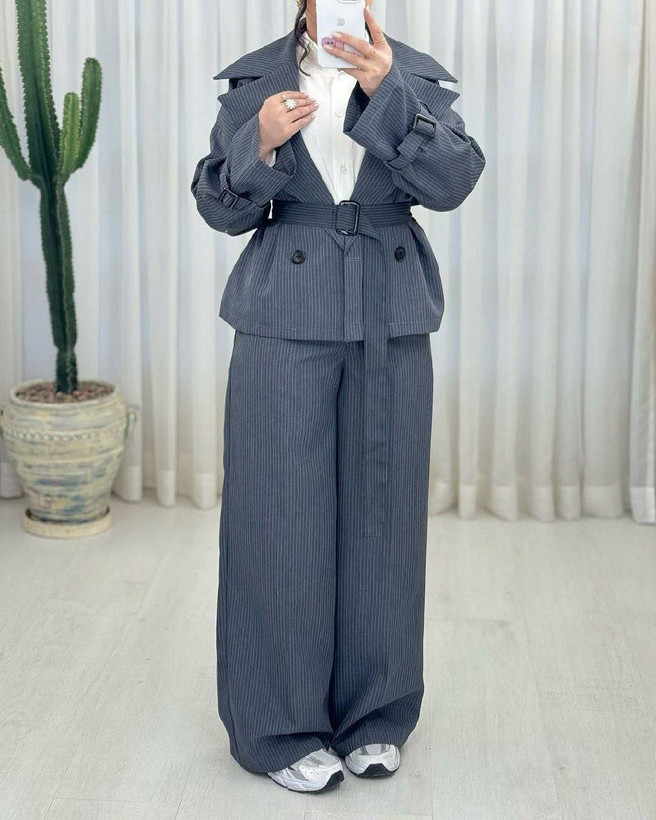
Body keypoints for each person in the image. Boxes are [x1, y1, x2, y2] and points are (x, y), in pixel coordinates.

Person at [191, 0, 485, 794]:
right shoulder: (257, 83)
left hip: (392, 309)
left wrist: (391, 92)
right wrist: (257, 144)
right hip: (283, 313)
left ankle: (375, 715)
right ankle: (278, 727)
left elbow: (455, 182)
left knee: (384, 515)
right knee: (278, 519)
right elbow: (219, 208)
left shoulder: (412, 77)